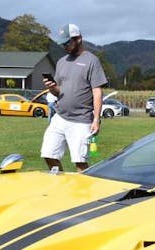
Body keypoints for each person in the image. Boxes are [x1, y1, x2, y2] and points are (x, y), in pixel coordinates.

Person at [41, 23, 108, 172]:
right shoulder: (61, 62)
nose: (64, 46)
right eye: (62, 43)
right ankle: (61, 185)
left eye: (67, 42)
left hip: (81, 120)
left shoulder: (92, 61)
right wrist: (52, 87)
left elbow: (97, 91)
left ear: (78, 39)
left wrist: (96, 119)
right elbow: (58, 92)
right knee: (48, 154)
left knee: (80, 162)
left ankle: (85, 193)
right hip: (60, 117)